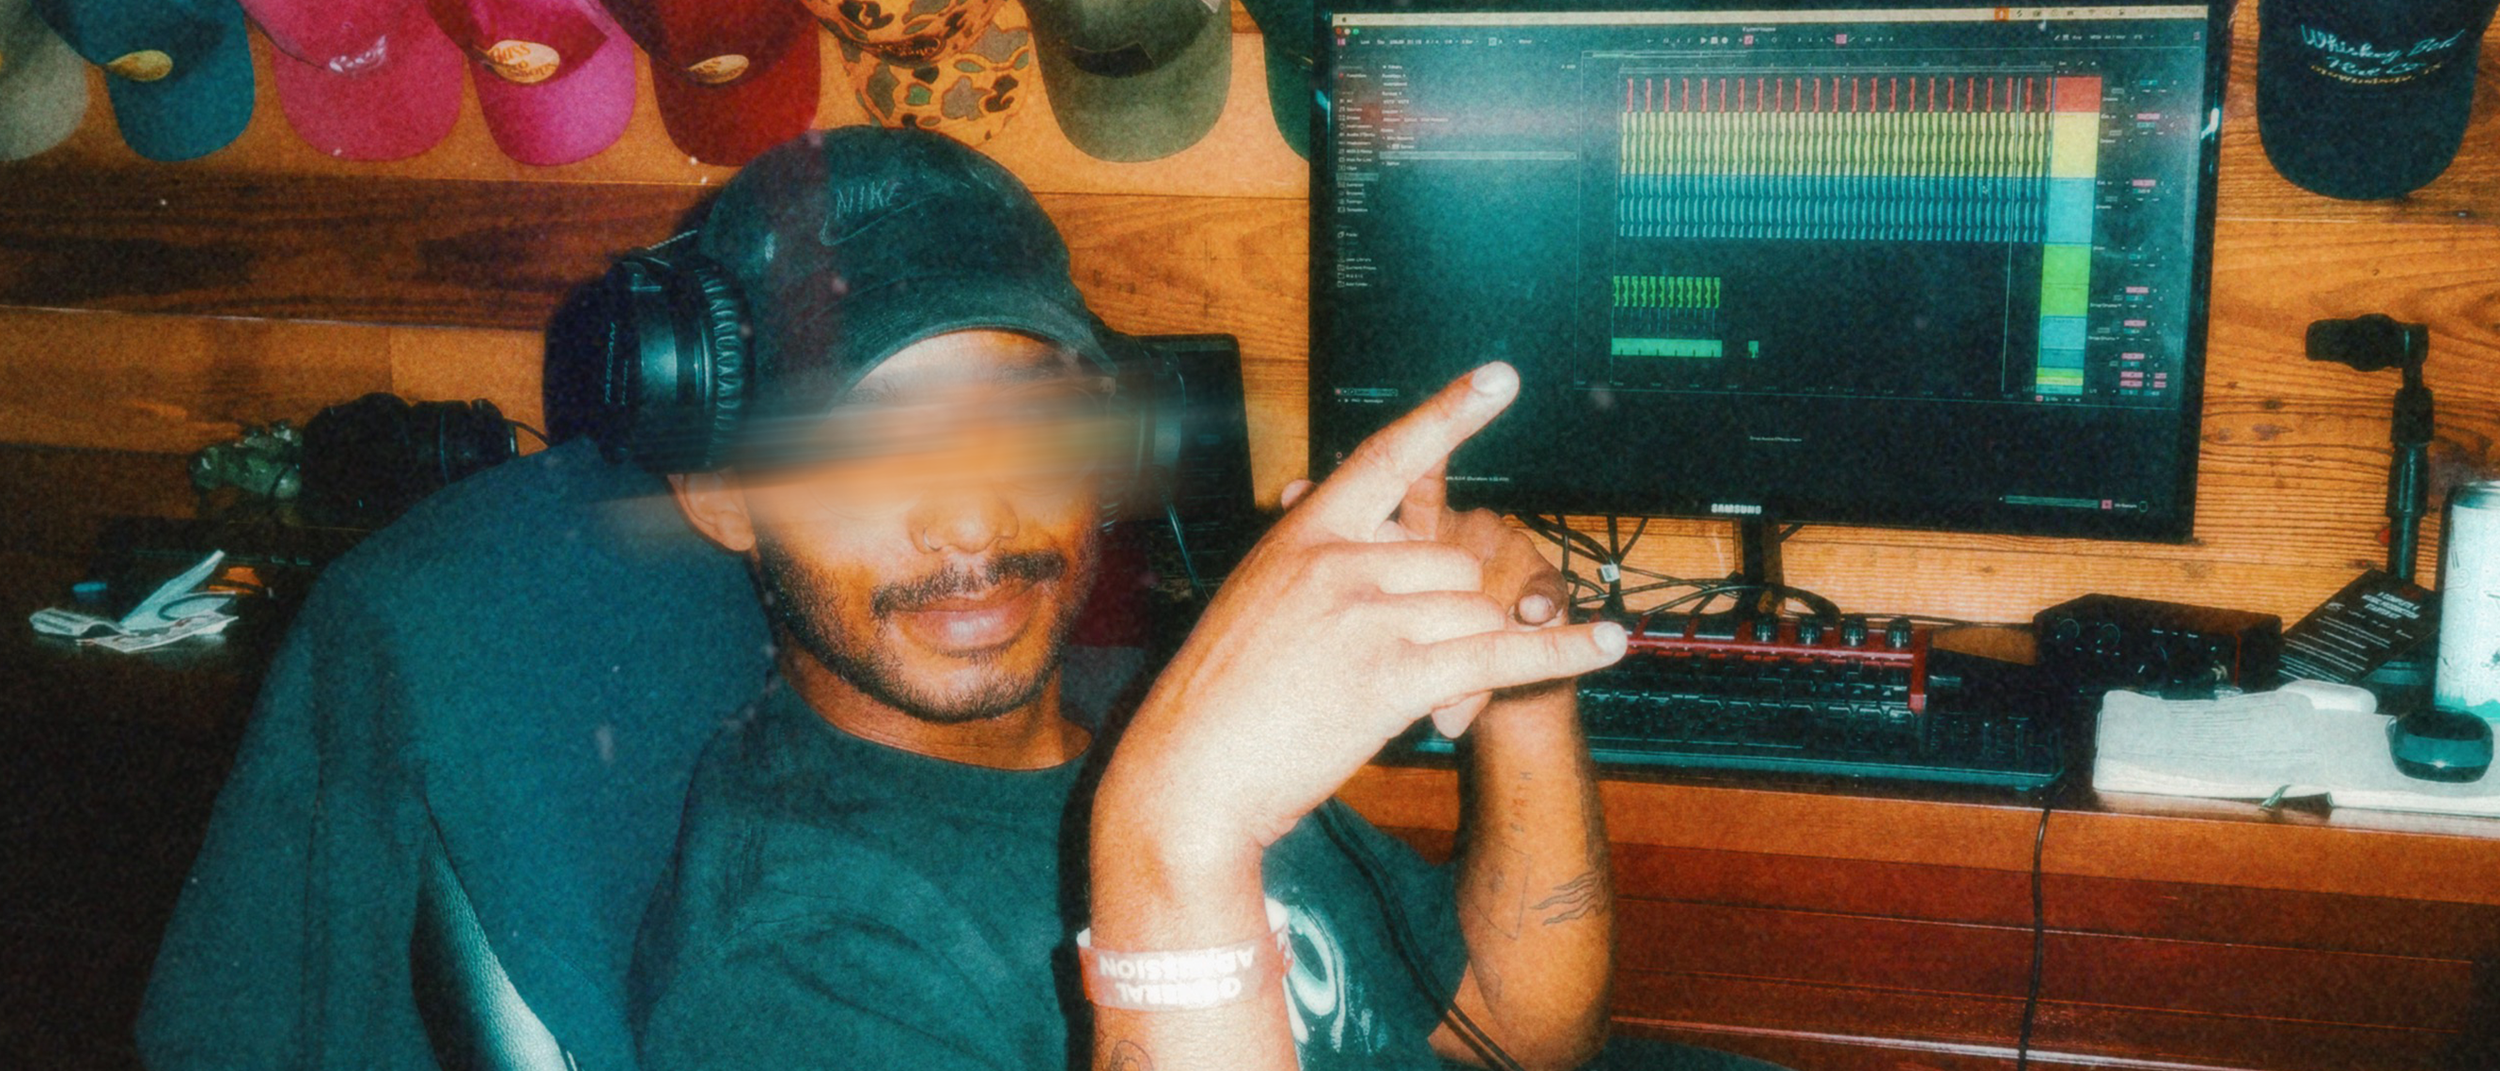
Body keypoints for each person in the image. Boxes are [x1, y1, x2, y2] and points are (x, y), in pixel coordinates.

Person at [629, 128, 1784, 1071]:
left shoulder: (1157, 703)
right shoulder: (792, 969)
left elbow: (1519, 1029)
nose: (973, 522)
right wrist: (1174, 844)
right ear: (724, 495)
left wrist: (1520, 682)